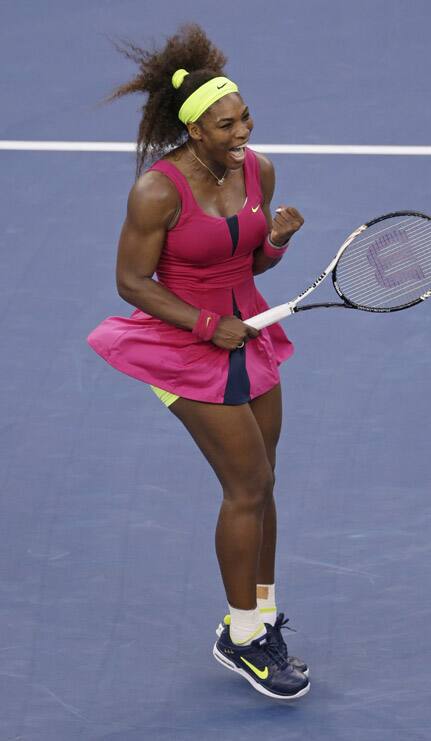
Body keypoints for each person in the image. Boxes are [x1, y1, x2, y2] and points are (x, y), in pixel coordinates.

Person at [87, 23, 309, 700]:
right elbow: (132, 281)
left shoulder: (257, 170)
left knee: (264, 483)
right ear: (192, 130)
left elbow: (249, 257)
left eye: (244, 117)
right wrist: (208, 324)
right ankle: (242, 638)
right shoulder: (157, 192)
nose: (241, 132)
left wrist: (274, 242)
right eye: (225, 125)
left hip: (249, 332)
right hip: (186, 343)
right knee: (245, 486)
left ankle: (261, 616)